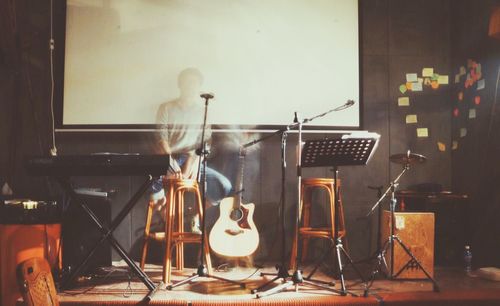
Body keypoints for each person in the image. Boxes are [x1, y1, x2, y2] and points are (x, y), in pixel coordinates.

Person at [151, 68, 232, 231]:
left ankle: (193, 217)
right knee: (151, 184)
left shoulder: (203, 111)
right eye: (186, 82)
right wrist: (170, 164)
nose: (190, 86)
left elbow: (205, 143)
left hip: (193, 160)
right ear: (180, 85)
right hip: (168, 159)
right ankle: (167, 219)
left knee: (224, 186)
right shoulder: (166, 108)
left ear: (199, 87)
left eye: (194, 83)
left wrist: (193, 162)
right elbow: (161, 138)